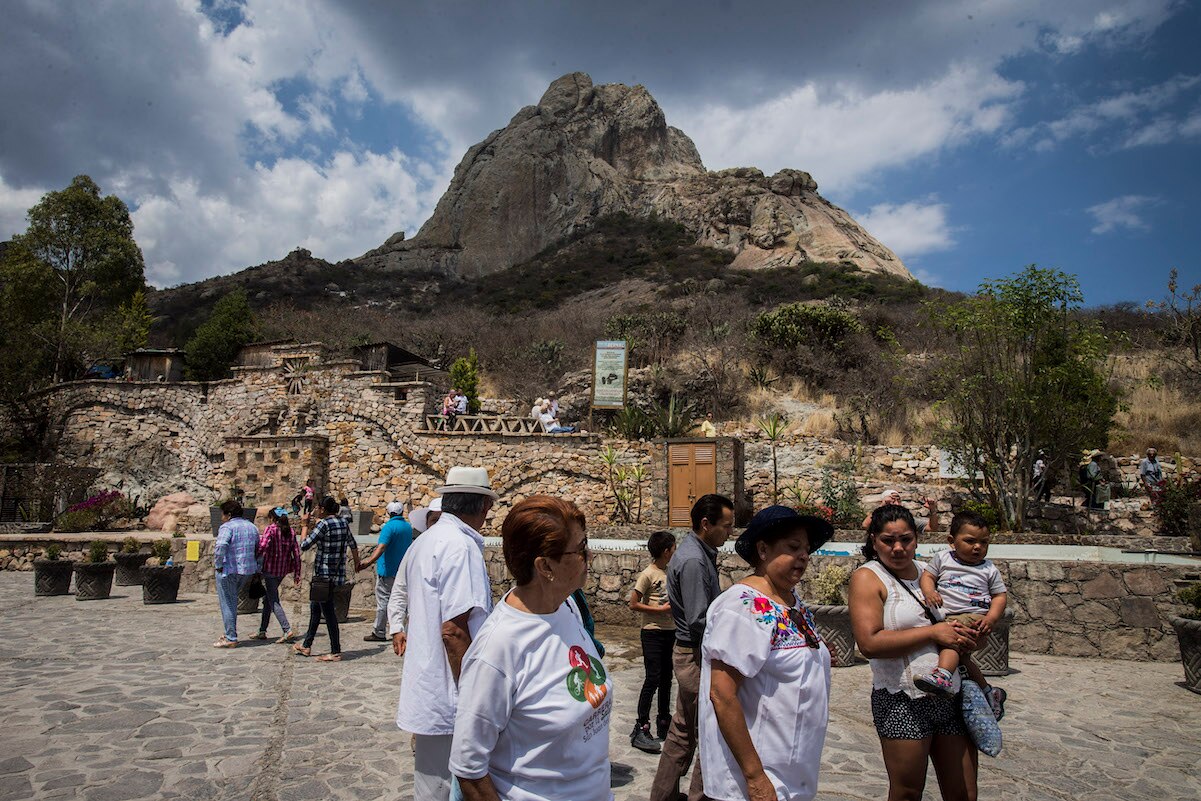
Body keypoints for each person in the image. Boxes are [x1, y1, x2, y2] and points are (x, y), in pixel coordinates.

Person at [449, 496, 612, 801]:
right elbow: (468, 768)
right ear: (546, 566)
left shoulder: (566, 610)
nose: (590, 555)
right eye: (581, 549)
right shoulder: (498, 649)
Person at [700, 506, 834, 801]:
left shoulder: (790, 601)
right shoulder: (743, 606)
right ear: (763, 549)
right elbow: (722, 695)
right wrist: (756, 777)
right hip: (758, 778)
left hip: (792, 772)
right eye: (793, 547)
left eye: (807, 550)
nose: (803, 557)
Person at [848, 504, 981, 801]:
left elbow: (958, 620)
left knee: (964, 792)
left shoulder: (931, 574)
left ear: (917, 539)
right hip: (902, 699)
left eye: (906, 539)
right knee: (907, 792)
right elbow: (869, 644)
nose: (898, 548)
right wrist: (932, 632)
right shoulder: (868, 578)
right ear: (873, 540)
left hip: (951, 695)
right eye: (888, 540)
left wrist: (970, 638)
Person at [395, 467, 497, 801]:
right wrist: (474, 694)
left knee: (430, 786)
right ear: (482, 507)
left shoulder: (425, 542)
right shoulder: (460, 547)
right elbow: (454, 630)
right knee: (447, 787)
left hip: (430, 686)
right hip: (450, 693)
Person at [649, 493, 735, 801]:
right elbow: (701, 619)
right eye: (725, 526)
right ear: (705, 524)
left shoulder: (696, 553)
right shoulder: (695, 560)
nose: (730, 532)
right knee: (706, 734)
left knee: (681, 734)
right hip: (695, 656)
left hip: (689, 652)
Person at [915, 512, 1009, 717]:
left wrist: (991, 618)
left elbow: (1000, 596)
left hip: (973, 616)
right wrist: (930, 591)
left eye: (984, 543)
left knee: (950, 643)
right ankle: (989, 691)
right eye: (970, 541)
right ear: (951, 541)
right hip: (948, 615)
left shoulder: (988, 568)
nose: (977, 547)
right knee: (963, 657)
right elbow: (927, 576)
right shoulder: (943, 558)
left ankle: (943, 675)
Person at [294, 497, 363, 662]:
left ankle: (335, 650)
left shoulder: (323, 524)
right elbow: (353, 544)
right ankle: (307, 645)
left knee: (329, 613)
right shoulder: (343, 523)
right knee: (315, 609)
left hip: (323, 575)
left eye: (318, 507)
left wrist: (304, 526)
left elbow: (304, 545)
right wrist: (357, 564)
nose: (317, 509)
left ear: (323, 509)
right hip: (336, 575)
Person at [629, 530, 677, 754]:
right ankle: (642, 724)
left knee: (667, 678)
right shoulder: (648, 573)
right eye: (673, 547)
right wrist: (659, 610)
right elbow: (633, 603)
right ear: (667, 551)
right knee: (653, 678)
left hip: (670, 632)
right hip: (652, 632)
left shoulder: (670, 572)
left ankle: (664, 720)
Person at [361, 500, 412, 642]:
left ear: (389, 513)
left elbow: (381, 547)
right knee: (403, 601)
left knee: (383, 602)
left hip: (387, 570)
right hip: (403, 570)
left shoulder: (389, 527)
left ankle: (379, 631)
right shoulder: (407, 527)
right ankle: (404, 629)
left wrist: (368, 561)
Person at [212, 499, 261, 648]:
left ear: (228, 514)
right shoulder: (252, 527)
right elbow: (258, 549)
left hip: (229, 569)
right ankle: (229, 632)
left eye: (223, 514)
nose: (221, 517)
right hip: (247, 570)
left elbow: (221, 545)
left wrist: (218, 564)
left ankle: (231, 637)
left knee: (227, 603)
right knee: (232, 601)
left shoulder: (227, 527)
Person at [251, 507, 301, 643]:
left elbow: (263, 546)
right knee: (268, 599)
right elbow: (296, 552)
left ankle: (287, 629)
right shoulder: (290, 531)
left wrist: (253, 557)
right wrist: (297, 572)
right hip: (282, 571)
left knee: (273, 600)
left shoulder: (271, 529)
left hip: (270, 570)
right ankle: (262, 630)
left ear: (272, 518)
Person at [861, 489, 940, 534]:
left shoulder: (908, 520)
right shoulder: (878, 520)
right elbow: (865, 525)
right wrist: (882, 505)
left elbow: (931, 528)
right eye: (892, 500)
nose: (896, 503)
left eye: (898, 500)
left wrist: (932, 510)